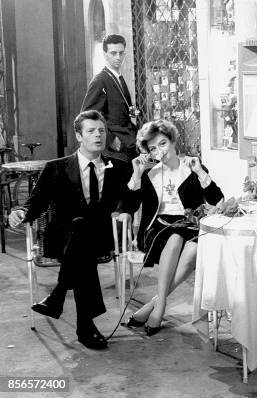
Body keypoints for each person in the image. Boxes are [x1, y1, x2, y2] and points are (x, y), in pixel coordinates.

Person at [8, 110, 133, 350]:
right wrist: (22, 213)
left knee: (83, 234)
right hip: (62, 240)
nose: (98, 135)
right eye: (91, 131)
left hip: (101, 238)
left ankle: (59, 295)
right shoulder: (56, 168)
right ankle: (84, 325)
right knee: (80, 236)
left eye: (102, 131)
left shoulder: (118, 168)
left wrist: (128, 206)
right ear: (78, 135)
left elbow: (131, 198)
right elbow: (36, 203)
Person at [124, 120, 224, 336]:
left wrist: (200, 172)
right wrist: (137, 174)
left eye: (162, 143)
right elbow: (130, 206)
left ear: (173, 140)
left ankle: (153, 305)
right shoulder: (150, 174)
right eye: (153, 148)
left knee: (194, 248)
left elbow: (218, 200)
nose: (159, 151)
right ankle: (159, 308)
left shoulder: (191, 167)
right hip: (158, 229)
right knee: (176, 237)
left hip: (191, 225)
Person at [82, 34, 138, 162]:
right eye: (113, 53)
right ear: (105, 54)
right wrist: (111, 140)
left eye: (121, 53)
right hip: (114, 150)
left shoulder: (118, 78)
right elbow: (88, 116)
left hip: (128, 144)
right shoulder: (100, 80)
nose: (118, 57)